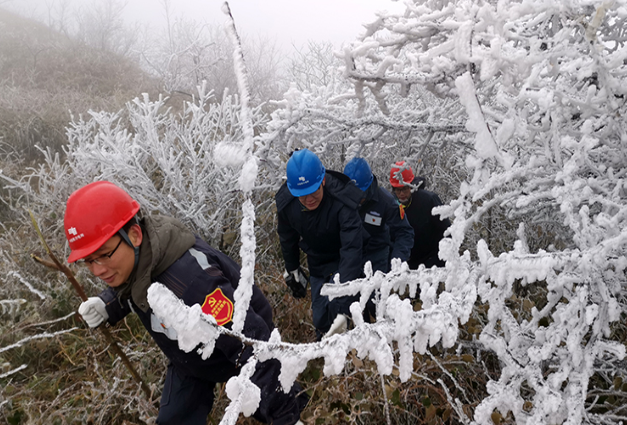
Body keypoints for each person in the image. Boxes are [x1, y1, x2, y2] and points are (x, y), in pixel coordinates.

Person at [66, 181, 307, 425]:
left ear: (135, 236)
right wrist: (108, 303)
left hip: (231, 352)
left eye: (105, 254)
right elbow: (133, 287)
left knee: (265, 402)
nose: (97, 270)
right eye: (88, 260)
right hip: (188, 357)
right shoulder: (139, 259)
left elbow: (253, 345)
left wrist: (285, 416)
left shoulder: (190, 282)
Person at [275, 149, 366, 339]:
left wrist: (343, 304)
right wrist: (292, 268)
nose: (309, 199)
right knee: (321, 319)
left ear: (323, 180)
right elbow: (287, 236)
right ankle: (322, 351)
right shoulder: (287, 204)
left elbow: (351, 249)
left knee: (339, 310)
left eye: (313, 191)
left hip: (343, 260)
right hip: (317, 261)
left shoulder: (343, 200)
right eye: (302, 194)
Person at [343, 157, 414, 273]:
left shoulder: (385, 201)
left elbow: (405, 232)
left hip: (377, 259)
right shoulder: (341, 199)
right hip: (349, 257)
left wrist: (397, 262)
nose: (357, 198)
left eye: (360, 194)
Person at [389, 161, 451, 269]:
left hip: (432, 263)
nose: (401, 194)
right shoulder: (390, 205)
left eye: (404, 189)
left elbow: (447, 233)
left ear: (411, 185)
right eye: (397, 190)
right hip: (405, 265)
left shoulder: (429, 201)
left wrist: (439, 261)